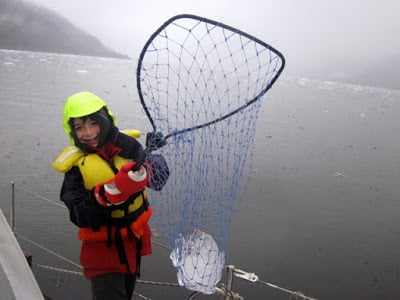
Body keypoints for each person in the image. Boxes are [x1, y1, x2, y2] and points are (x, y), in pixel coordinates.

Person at [52, 91, 168, 300]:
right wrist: (111, 192)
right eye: (79, 127)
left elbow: (157, 180)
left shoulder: (127, 145)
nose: (88, 133)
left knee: (127, 293)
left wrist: (153, 160)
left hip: (133, 240)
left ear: (104, 120)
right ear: (71, 131)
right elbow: (79, 214)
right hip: (103, 251)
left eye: (93, 123)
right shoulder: (75, 167)